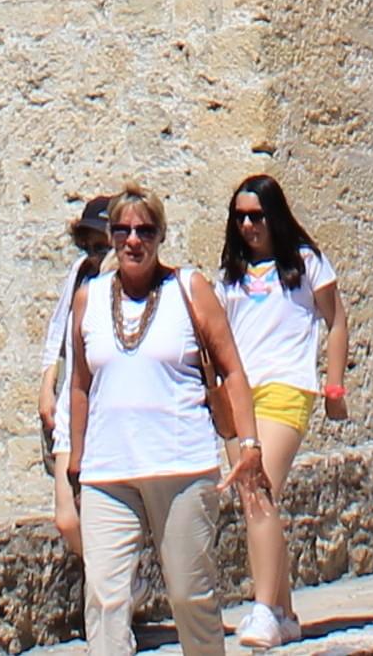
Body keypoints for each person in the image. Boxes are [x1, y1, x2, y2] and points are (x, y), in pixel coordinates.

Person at [62, 187, 267, 656]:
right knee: (105, 598)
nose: (133, 241)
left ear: (160, 234)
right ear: (110, 235)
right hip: (107, 470)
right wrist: (75, 459)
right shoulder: (88, 299)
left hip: (181, 464)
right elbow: (79, 383)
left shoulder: (189, 289)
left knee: (189, 595)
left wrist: (250, 444)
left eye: (145, 230)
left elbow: (232, 369)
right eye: (123, 230)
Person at [213, 175, 346, 645]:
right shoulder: (229, 276)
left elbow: (335, 322)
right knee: (254, 501)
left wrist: (334, 386)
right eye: (241, 216)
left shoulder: (305, 264)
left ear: (275, 216)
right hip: (238, 397)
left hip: (287, 388)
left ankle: (264, 609)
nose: (249, 225)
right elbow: (216, 341)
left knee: (258, 490)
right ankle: (285, 613)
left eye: (257, 215)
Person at [34, 194, 119, 553]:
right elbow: (58, 329)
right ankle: (118, 582)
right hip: (72, 409)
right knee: (67, 517)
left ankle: (114, 586)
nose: (94, 252)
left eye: (102, 243)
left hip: (109, 412)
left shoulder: (125, 284)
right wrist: (46, 383)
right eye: (89, 243)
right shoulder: (81, 274)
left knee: (102, 512)